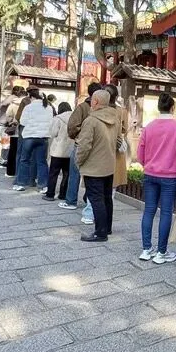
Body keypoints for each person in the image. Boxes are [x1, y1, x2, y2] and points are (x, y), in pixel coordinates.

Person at [137, 92, 176, 263]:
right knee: (166, 212)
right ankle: (161, 252)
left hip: (150, 173)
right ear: (172, 107)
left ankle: (146, 249)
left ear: (159, 107)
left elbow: (140, 153)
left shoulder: (149, 127)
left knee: (149, 210)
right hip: (170, 176)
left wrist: (147, 164)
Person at [74, 89, 118, 242]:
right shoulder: (115, 118)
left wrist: (78, 161)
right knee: (107, 198)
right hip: (109, 164)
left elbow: (84, 146)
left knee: (96, 199)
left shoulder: (91, 121)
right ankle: (107, 227)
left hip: (93, 167)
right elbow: (119, 140)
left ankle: (100, 233)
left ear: (95, 101)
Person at [81, 84, 129, 224]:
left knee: (95, 192)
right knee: (108, 194)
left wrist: (79, 161)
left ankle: (91, 216)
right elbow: (123, 131)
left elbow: (85, 144)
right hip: (113, 157)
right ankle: (106, 224)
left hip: (96, 157)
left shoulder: (93, 116)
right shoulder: (120, 112)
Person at [59, 81, 103, 211]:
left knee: (74, 174)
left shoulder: (82, 107)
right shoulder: (105, 109)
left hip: (81, 144)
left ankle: (71, 201)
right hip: (97, 146)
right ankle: (88, 199)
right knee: (92, 175)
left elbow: (72, 126)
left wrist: (77, 136)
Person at [12, 88, 54, 192]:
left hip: (29, 137)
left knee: (24, 160)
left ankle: (21, 184)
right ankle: (43, 186)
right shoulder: (49, 108)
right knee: (42, 162)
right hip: (43, 137)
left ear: (32, 97)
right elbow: (51, 122)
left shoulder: (28, 107)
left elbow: (23, 121)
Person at [43, 102, 74, 201]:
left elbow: (53, 133)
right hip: (70, 150)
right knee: (66, 174)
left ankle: (50, 194)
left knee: (53, 173)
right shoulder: (75, 117)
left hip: (58, 150)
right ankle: (63, 194)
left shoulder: (58, 119)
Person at [3, 86, 26, 177]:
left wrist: (11, 121)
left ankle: (11, 171)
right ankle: (21, 171)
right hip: (26, 131)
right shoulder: (29, 103)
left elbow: (8, 115)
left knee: (13, 151)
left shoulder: (13, 104)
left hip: (15, 131)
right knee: (24, 152)